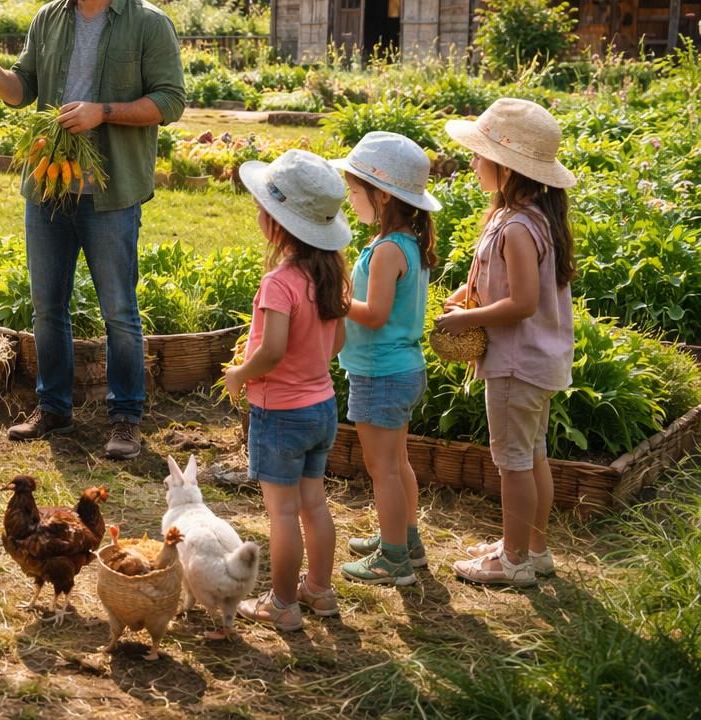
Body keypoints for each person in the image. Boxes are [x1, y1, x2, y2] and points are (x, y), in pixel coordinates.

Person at [0, 0, 186, 460]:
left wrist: (105, 111)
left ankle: (125, 418)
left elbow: (171, 101)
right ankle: (53, 409)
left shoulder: (148, 24)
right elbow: (21, 92)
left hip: (111, 192)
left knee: (119, 311)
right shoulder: (47, 20)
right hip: (48, 187)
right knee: (46, 307)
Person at [438, 98, 576, 587]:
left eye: (478, 155)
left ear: (506, 165)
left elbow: (520, 303)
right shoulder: (526, 216)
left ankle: (513, 561)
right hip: (537, 362)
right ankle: (534, 549)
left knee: (513, 465)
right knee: (533, 456)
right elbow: (499, 281)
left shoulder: (518, 227)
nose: (473, 162)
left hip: (516, 364)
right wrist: (465, 294)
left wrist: (466, 319)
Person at [222, 149, 350, 632]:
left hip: (281, 413)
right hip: (321, 406)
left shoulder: (279, 282)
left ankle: (282, 604)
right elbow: (337, 340)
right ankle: (318, 590)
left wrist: (240, 374)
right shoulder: (331, 274)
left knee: (282, 513)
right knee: (314, 504)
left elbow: (272, 351)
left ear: (277, 224)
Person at [329, 132, 440, 587]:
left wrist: (335, 299)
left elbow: (373, 315)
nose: (351, 199)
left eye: (355, 192)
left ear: (381, 195)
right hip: (403, 368)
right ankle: (405, 541)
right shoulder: (407, 243)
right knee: (398, 462)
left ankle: (392, 559)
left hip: (380, 372)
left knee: (383, 470)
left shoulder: (387, 250)